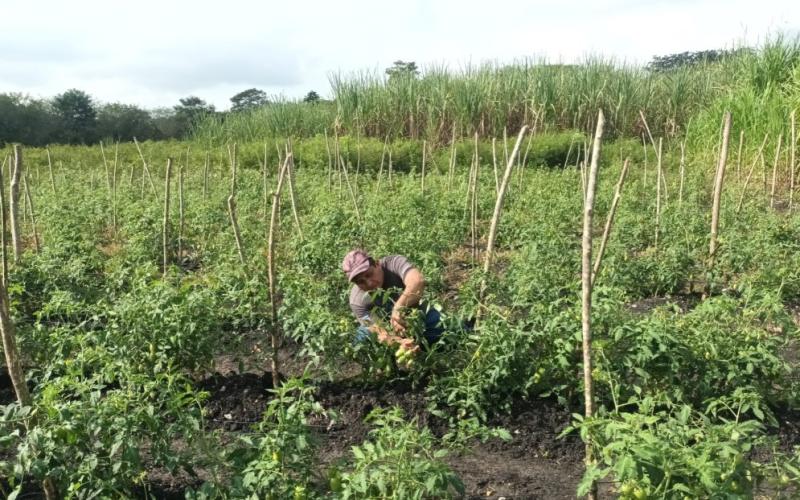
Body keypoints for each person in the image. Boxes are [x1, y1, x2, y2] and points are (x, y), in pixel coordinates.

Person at [342, 249, 444, 355]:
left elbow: (417, 281)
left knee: (443, 326)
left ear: (377, 263)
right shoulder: (357, 300)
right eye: (361, 282)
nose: (369, 283)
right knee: (362, 338)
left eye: (369, 274)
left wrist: (398, 308)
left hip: (417, 317)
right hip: (389, 330)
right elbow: (377, 331)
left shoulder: (393, 264)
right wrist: (398, 342)